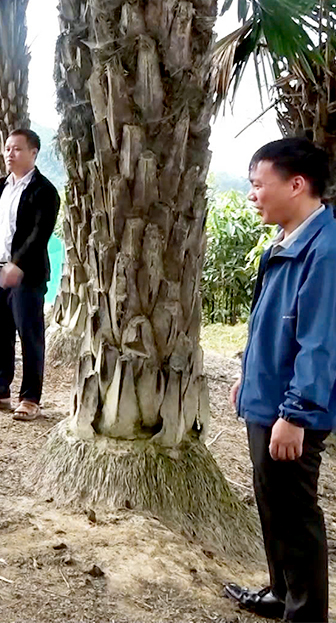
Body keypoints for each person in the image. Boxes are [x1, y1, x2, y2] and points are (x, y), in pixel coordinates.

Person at [224, 137, 336, 623]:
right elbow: (271, 322)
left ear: (296, 184)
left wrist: (296, 414)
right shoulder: (288, 242)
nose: (252, 195)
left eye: (257, 185)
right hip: (267, 398)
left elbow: (320, 343)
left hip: (292, 411)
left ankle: (305, 613)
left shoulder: (326, 251)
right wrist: (249, 375)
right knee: (273, 502)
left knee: (295, 512)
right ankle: (280, 592)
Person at [0, 128, 59, 421]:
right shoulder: (2, 186)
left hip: (26, 275)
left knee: (30, 336)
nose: (10, 153)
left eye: (17, 149)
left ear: (33, 153)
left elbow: (39, 233)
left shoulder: (44, 191)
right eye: (7, 148)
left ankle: (30, 399)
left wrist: (17, 264)